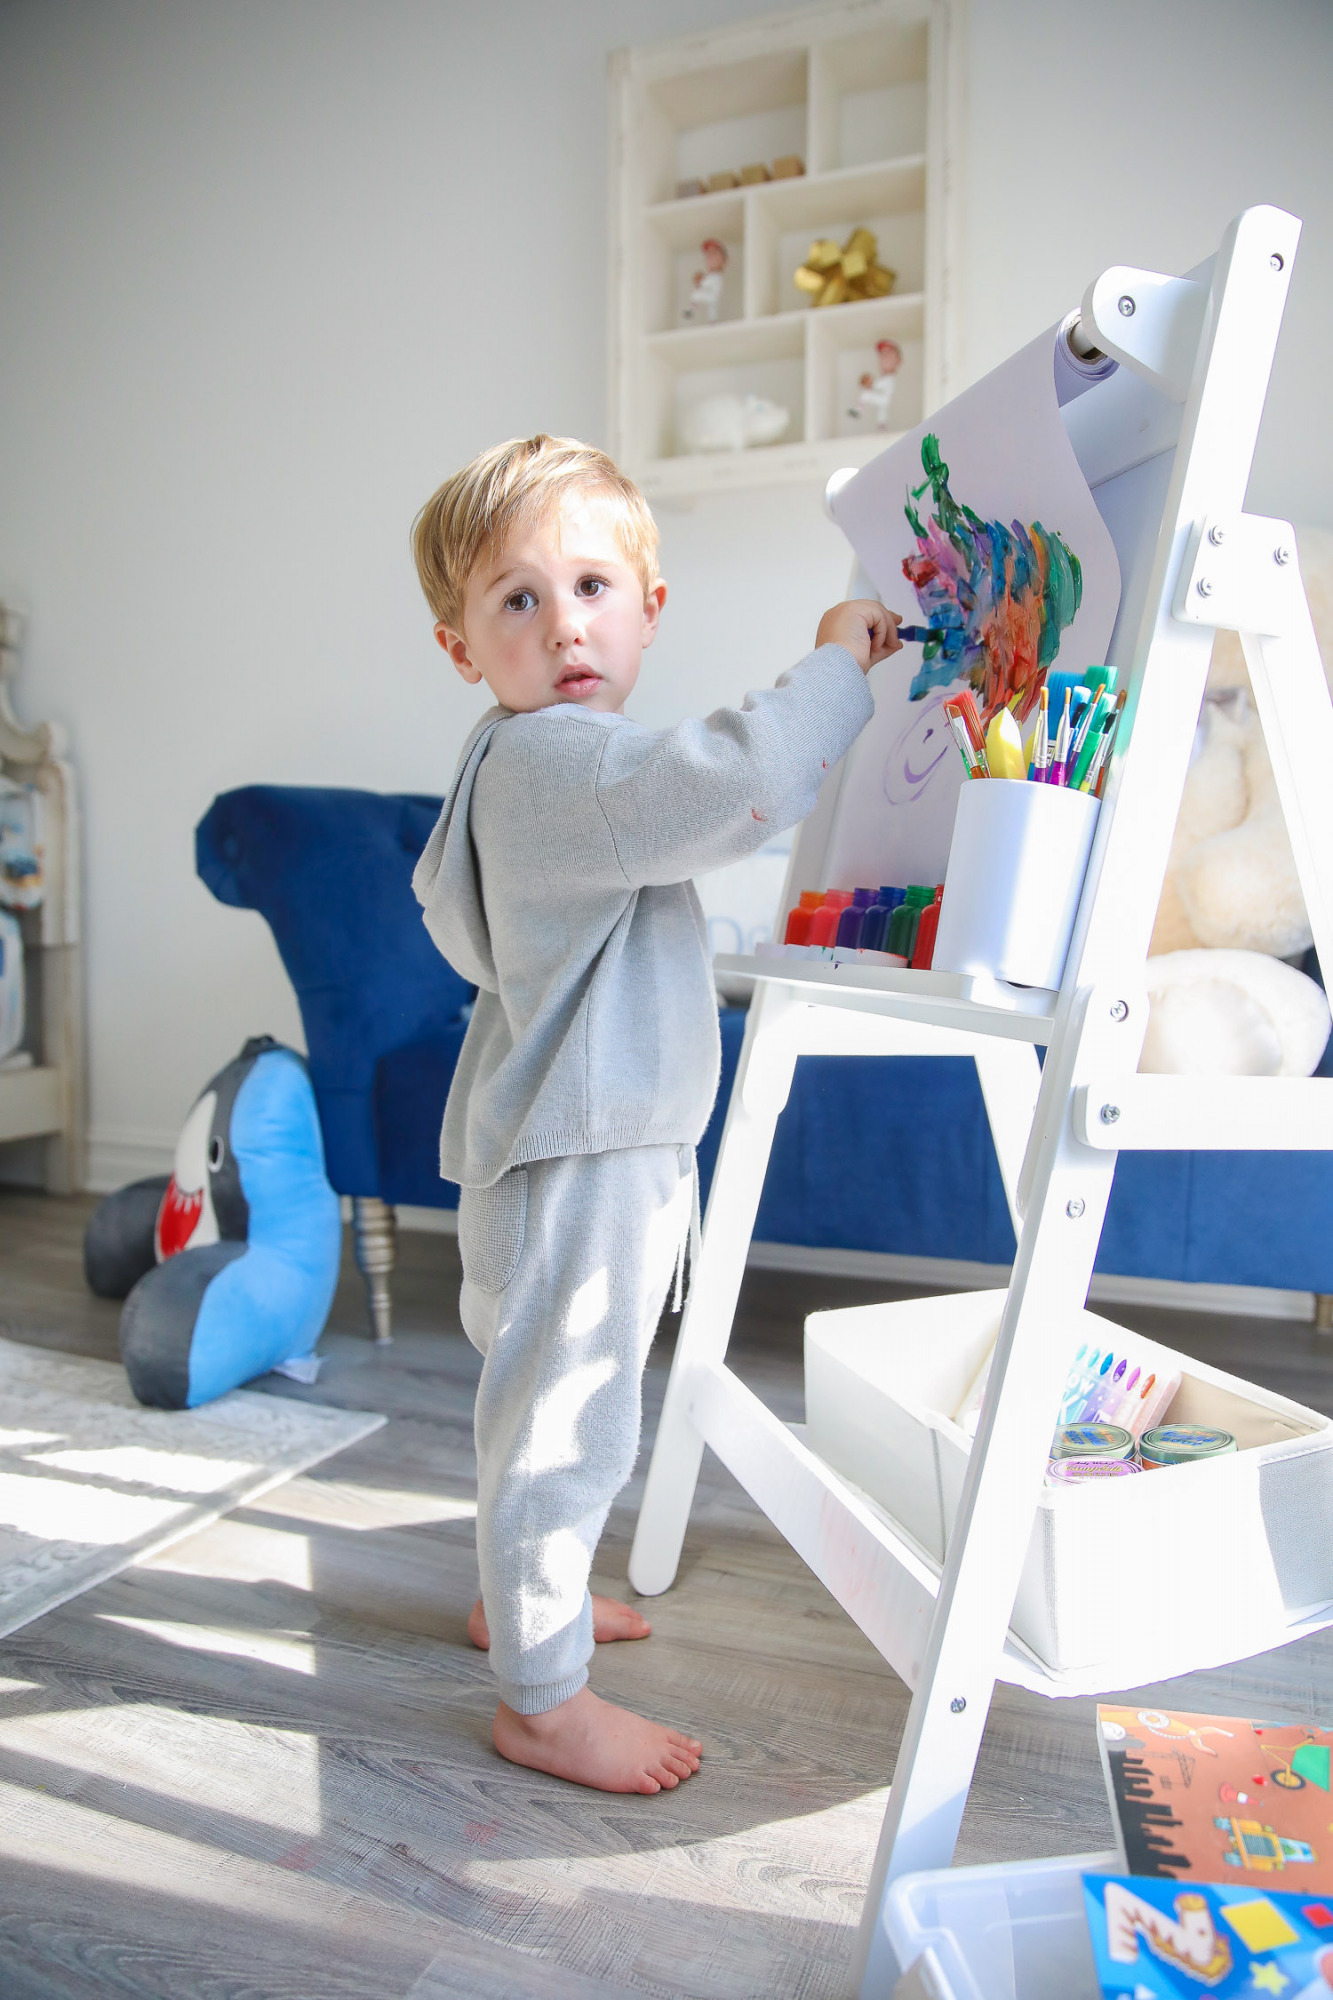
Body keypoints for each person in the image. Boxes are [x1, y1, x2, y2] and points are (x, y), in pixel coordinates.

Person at [410, 433, 899, 1794]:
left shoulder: (520, 766)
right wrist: (836, 667)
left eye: (588, 586)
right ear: (463, 646)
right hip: (582, 1156)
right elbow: (722, 784)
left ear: (646, 608)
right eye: (515, 599)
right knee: (570, 1424)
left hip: (565, 1149)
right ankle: (542, 1700)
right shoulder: (560, 763)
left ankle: (525, 1611)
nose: (561, 623)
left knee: (543, 1411)